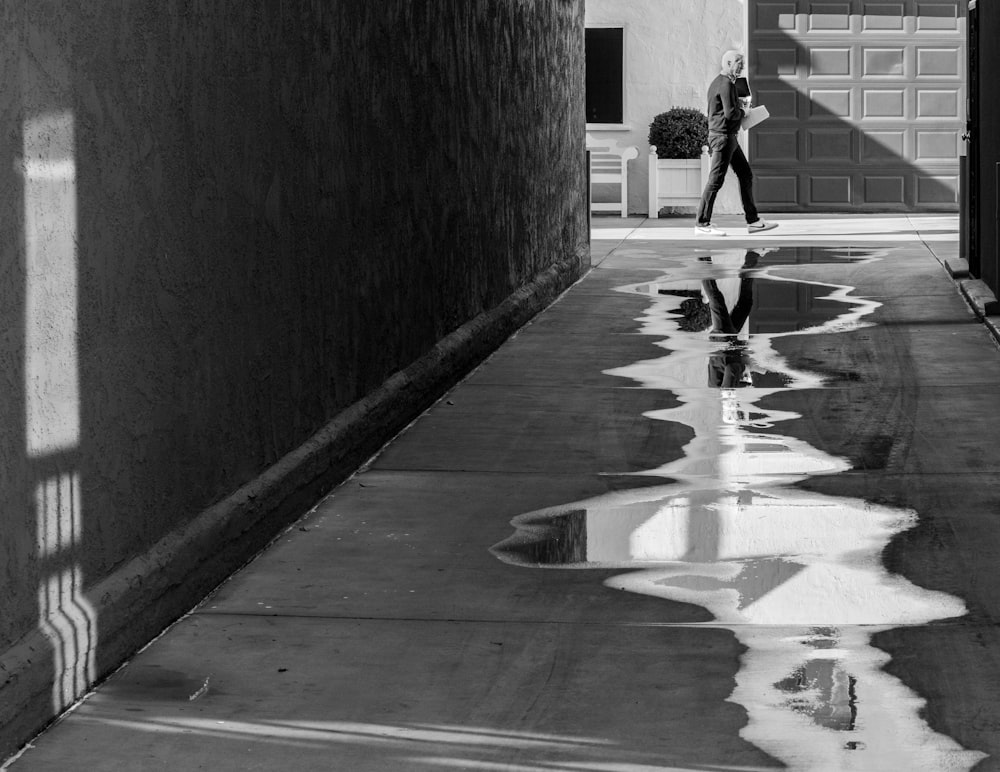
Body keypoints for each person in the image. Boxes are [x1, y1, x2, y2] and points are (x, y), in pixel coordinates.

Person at [695, 50, 777, 237]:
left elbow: (725, 110)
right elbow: (731, 114)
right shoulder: (726, 85)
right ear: (728, 63)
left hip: (727, 136)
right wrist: (745, 113)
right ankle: (701, 223)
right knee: (715, 180)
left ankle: (753, 221)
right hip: (723, 137)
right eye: (739, 63)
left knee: (745, 174)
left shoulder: (719, 82)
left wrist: (740, 108)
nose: (742, 66)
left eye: (743, 63)